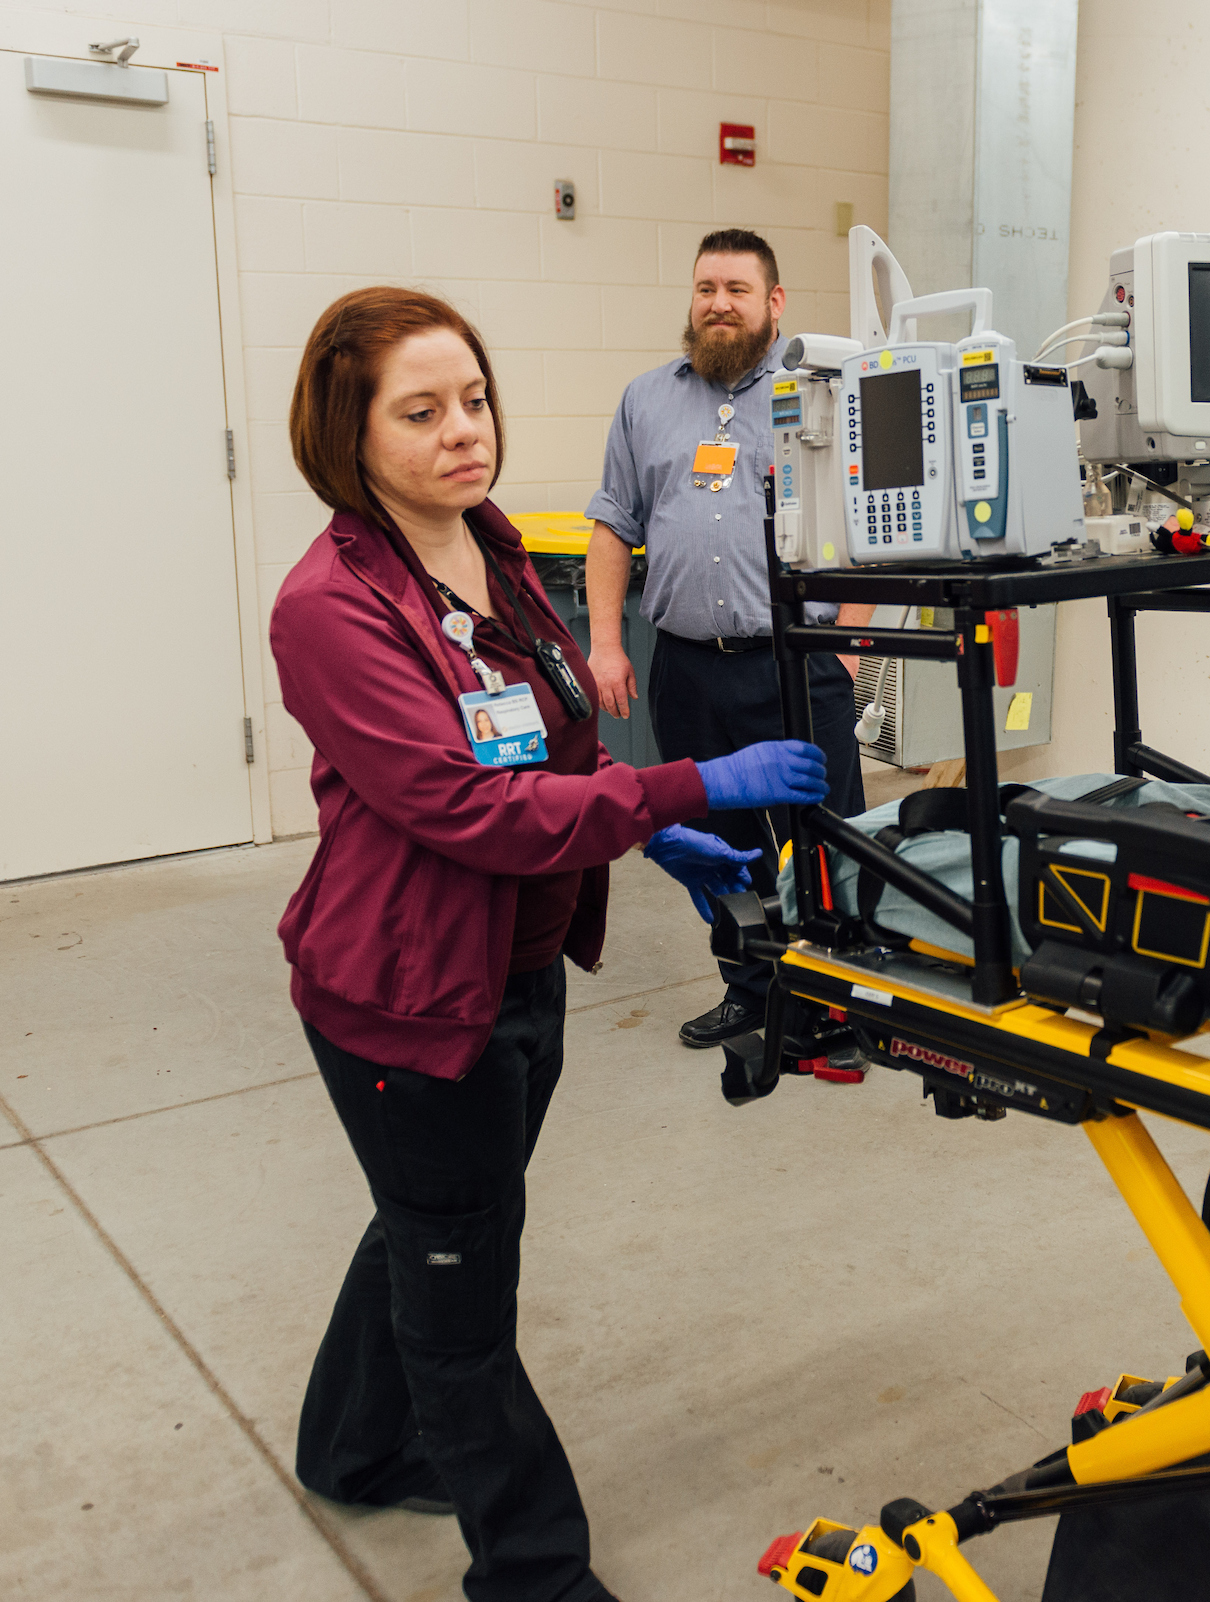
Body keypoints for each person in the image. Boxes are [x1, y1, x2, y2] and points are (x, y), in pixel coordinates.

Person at [272, 286, 832, 1602]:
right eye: (421, 412)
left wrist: (636, 837)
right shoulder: (331, 605)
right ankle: (532, 1569)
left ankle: (357, 1444)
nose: (465, 432)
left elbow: (560, 730)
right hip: (408, 988)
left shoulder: (492, 542)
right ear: (347, 436)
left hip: (517, 963)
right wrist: (692, 787)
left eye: (472, 398)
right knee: (460, 1289)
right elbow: (465, 803)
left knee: (437, 1224)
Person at [586, 227, 871, 1051]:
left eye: (738, 289)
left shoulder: (822, 394)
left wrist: (845, 650)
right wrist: (608, 644)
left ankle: (839, 1001)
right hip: (685, 668)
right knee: (721, 843)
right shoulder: (647, 400)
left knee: (824, 837)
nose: (719, 303)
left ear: (774, 303)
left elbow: (864, 528)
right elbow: (613, 525)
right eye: (706, 287)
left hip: (795, 665)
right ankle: (750, 991)